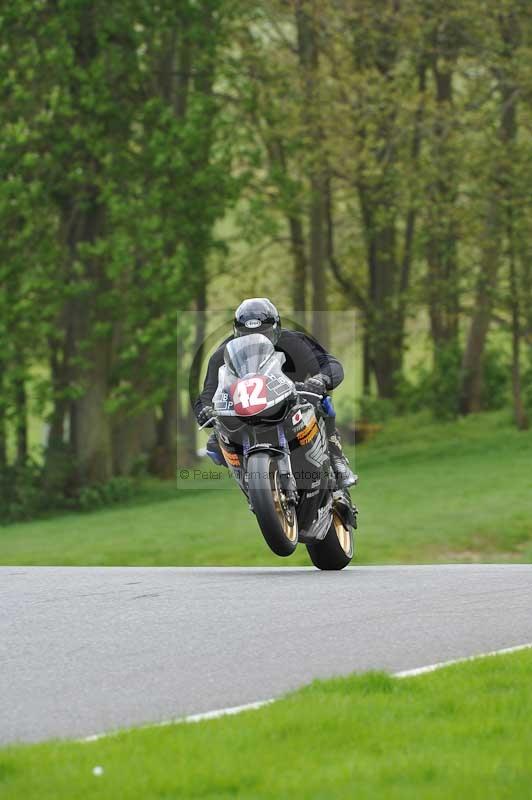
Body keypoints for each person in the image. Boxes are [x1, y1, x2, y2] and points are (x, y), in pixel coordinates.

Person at [194, 298, 357, 489]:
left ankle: (337, 459)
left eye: (263, 333)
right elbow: (207, 393)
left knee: (323, 404)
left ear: (276, 329)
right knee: (215, 442)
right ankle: (250, 486)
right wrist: (205, 410)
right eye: (246, 335)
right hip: (245, 414)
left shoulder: (294, 342)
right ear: (236, 333)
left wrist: (320, 380)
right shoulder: (221, 355)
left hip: (291, 404)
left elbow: (330, 364)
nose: (256, 339)